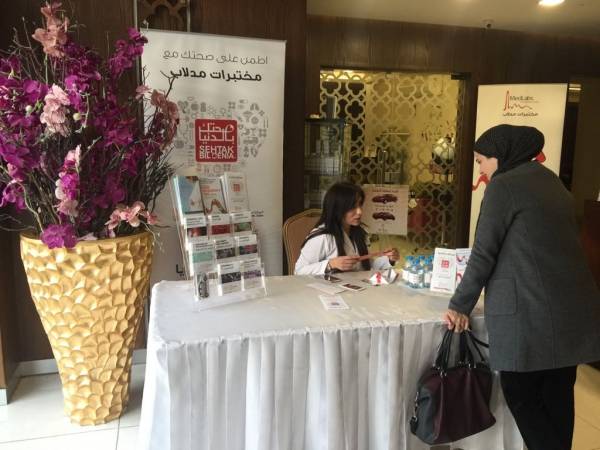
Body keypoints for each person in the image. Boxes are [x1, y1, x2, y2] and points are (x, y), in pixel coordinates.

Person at [443, 124, 600, 450]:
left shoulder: (504, 186)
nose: (480, 170)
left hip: (532, 312)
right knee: (557, 397)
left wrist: (459, 305)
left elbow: (484, 252)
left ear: (500, 156)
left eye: (481, 161)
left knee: (520, 392)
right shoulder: (551, 181)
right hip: (571, 313)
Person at [294, 181, 399, 275]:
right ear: (337, 208)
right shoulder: (322, 237)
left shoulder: (359, 232)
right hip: (329, 289)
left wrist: (389, 259)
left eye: (360, 205)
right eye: (352, 207)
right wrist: (330, 264)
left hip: (357, 287)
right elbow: (299, 271)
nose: (359, 212)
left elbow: (366, 266)